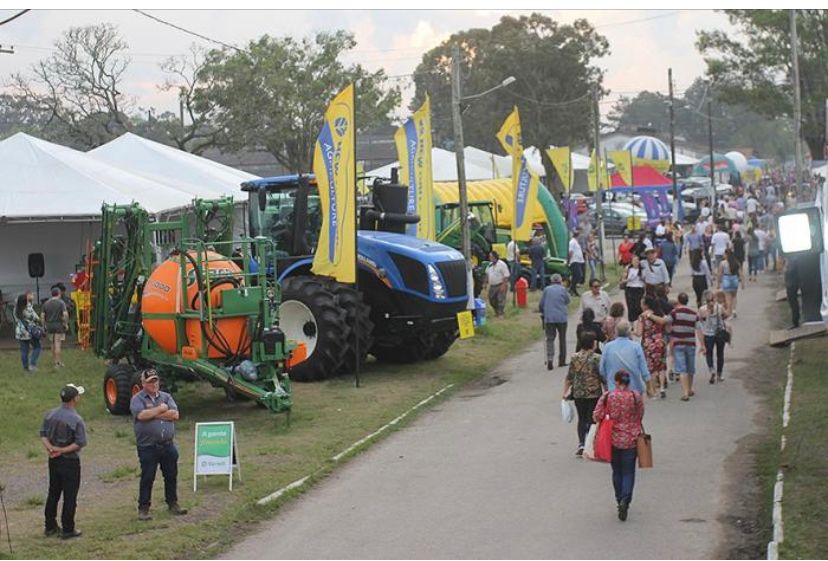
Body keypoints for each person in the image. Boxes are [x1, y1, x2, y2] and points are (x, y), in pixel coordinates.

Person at [131, 369, 188, 520]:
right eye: (150, 382)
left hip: (167, 444)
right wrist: (162, 410)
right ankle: (143, 508)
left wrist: (154, 413)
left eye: (155, 380)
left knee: (171, 475)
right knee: (148, 477)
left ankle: (173, 503)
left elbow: (175, 414)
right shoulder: (137, 399)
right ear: (143, 383)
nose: (154, 384)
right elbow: (141, 415)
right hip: (148, 446)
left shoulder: (166, 396)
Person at [592, 370, 645, 522]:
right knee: (629, 472)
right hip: (632, 439)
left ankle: (619, 498)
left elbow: (597, 415)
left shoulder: (608, 396)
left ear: (616, 381)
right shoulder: (636, 396)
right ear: (628, 382)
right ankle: (626, 499)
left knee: (617, 471)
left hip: (613, 439)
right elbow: (640, 414)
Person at [40, 383, 87, 539]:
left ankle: (50, 526)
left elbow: (43, 434)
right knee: (70, 495)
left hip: (53, 460)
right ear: (75, 399)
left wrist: (51, 449)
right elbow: (79, 443)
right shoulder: (76, 419)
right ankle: (68, 528)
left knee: (53, 493)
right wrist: (61, 450)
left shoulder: (50, 414)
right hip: (70, 462)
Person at [562, 332, 604, 457]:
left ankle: (581, 443)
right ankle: (590, 444)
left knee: (581, 419)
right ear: (592, 343)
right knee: (592, 419)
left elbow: (570, 377)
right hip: (593, 393)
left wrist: (564, 392)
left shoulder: (575, 357)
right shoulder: (597, 358)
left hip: (578, 393)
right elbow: (602, 376)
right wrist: (607, 390)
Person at [600, 320, 651, 395]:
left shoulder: (608, 347)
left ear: (616, 332)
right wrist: (649, 387)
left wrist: (607, 381)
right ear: (629, 332)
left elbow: (602, 369)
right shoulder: (636, 347)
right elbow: (644, 370)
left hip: (614, 390)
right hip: (634, 390)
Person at [668, 293, 703, 401]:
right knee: (690, 368)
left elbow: (668, 325)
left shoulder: (674, 313)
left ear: (678, 301)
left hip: (678, 343)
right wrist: (703, 344)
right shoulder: (694, 313)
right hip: (690, 343)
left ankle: (685, 392)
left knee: (681, 369)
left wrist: (672, 332)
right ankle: (690, 388)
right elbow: (699, 330)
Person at [637, 296, 669, 399]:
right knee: (662, 366)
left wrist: (633, 330)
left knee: (652, 368)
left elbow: (639, 333)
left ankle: (654, 391)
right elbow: (664, 323)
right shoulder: (659, 313)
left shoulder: (642, 316)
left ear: (646, 305)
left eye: (642, 304)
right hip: (660, 341)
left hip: (649, 343)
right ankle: (662, 388)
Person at [539, 274, 570, 370]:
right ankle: (562, 360)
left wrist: (542, 312)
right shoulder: (563, 289)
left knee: (550, 339)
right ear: (560, 281)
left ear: (551, 281)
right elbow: (568, 301)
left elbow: (541, 304)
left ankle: (550, 359)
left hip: (549, 318)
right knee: (562, 339)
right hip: (561, 318)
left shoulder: (546, 290)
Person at [699, 290, 730, 384]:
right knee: (720, 354)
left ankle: (711, 369)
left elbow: (700, 320)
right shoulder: (719, 307)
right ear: (714, 299)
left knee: (709, 353)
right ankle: (719, 374)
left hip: (708, 334)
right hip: (719, 333)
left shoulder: (702, 309)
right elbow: (727, 315)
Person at [14, 291, 42, 372]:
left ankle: (25, 368)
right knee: (37, 347)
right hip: (29, 331)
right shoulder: (28, 308)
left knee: (24, 350)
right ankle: (32, 364)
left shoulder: (16, 309)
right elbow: (35, 317)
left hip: (20, 331)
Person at [43, 287, 69, 368]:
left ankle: (54, 360)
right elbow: (65, 314)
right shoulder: (61, 303)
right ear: (59, 294)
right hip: (58, 325)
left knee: (52, 343)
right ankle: (58, 362)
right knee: (58, 343)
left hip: (49, 326)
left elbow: (42, 315)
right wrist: (65, 323)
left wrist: (44, 325)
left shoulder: (46, 303)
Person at [485, 251, 510, 317]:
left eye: (491, 256)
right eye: (489, 257)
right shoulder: (489, 265)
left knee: (500, 299)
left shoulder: (502, 264)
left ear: (495, 257)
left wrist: (503, 285)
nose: (490, 258)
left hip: (500, 284)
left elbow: (506, 276)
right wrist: (485, 283)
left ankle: (501, 313)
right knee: (491, 299)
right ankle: (496, 311)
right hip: (492, 286)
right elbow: (487, 274)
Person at [717, 247, 741, 318]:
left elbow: (720, 273)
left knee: (728, 298)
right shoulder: (736, 262)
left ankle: (729, 312)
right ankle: (734, 310)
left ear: (726, 254)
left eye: (724, 254)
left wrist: (718, 283)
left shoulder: (723, 263)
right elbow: (740, 272)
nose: (723, 255)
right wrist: (742, 282)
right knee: (734, 296)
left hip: (726, 279)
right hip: (734, 279)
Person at [622, 255, 645, 323]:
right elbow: (623, 279)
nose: (636, 262)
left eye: (637, 260)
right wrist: (628, 279)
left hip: (639, 289)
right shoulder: (628, 269)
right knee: (631, 307)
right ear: (631, 262)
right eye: (634, 261)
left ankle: (640, 322)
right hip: (630, 289)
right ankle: (632, 322)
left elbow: (645, 280)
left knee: (638, 306)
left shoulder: (642, 269)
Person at [784, 256, 800, 329]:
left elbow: (790, 272)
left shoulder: (793, 260)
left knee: (793, 302)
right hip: (791, 283)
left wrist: (786, 269)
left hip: (792, 284)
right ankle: (795, 320)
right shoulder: (792, 260)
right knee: (792, 303)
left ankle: (795, 321)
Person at [568, 231, 585, 296]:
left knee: (577, 276)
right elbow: (570, 252)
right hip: (574, 261)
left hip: (578, 261)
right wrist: (569, 261)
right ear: (578, 235)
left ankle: (572, 289)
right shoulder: (572, 242)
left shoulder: (576, 242)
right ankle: (572, 288)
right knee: (578, 275)